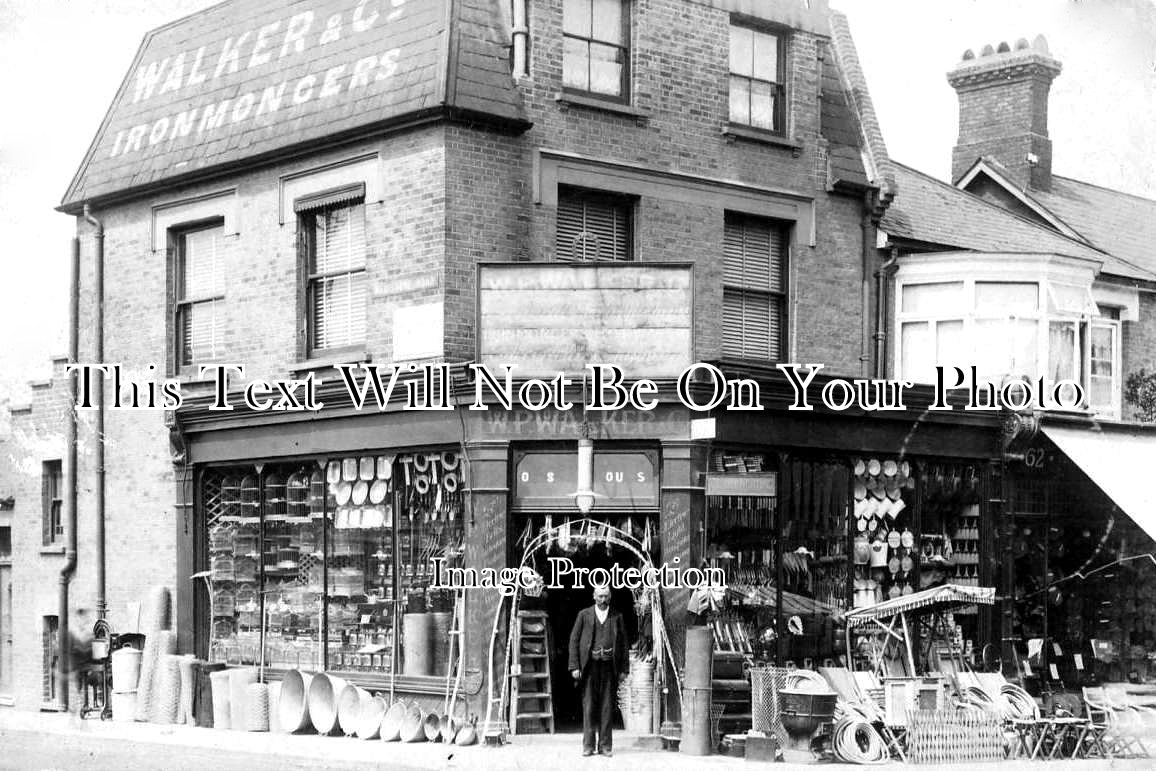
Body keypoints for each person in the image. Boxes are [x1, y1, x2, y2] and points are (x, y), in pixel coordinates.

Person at [568, 586, 629, 757]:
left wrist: (624, 669)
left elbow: (623, 643)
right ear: (594, 596)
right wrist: (574, 666)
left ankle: (605, 746)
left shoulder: (617, 616)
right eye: (600, 596)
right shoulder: (584, 615)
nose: (603, 600)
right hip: (589, 667)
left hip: (609, 667)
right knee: (588, 707)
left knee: (607, 707)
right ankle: (588, 746)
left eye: (606, 596)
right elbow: (574, 641)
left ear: (610, 597)